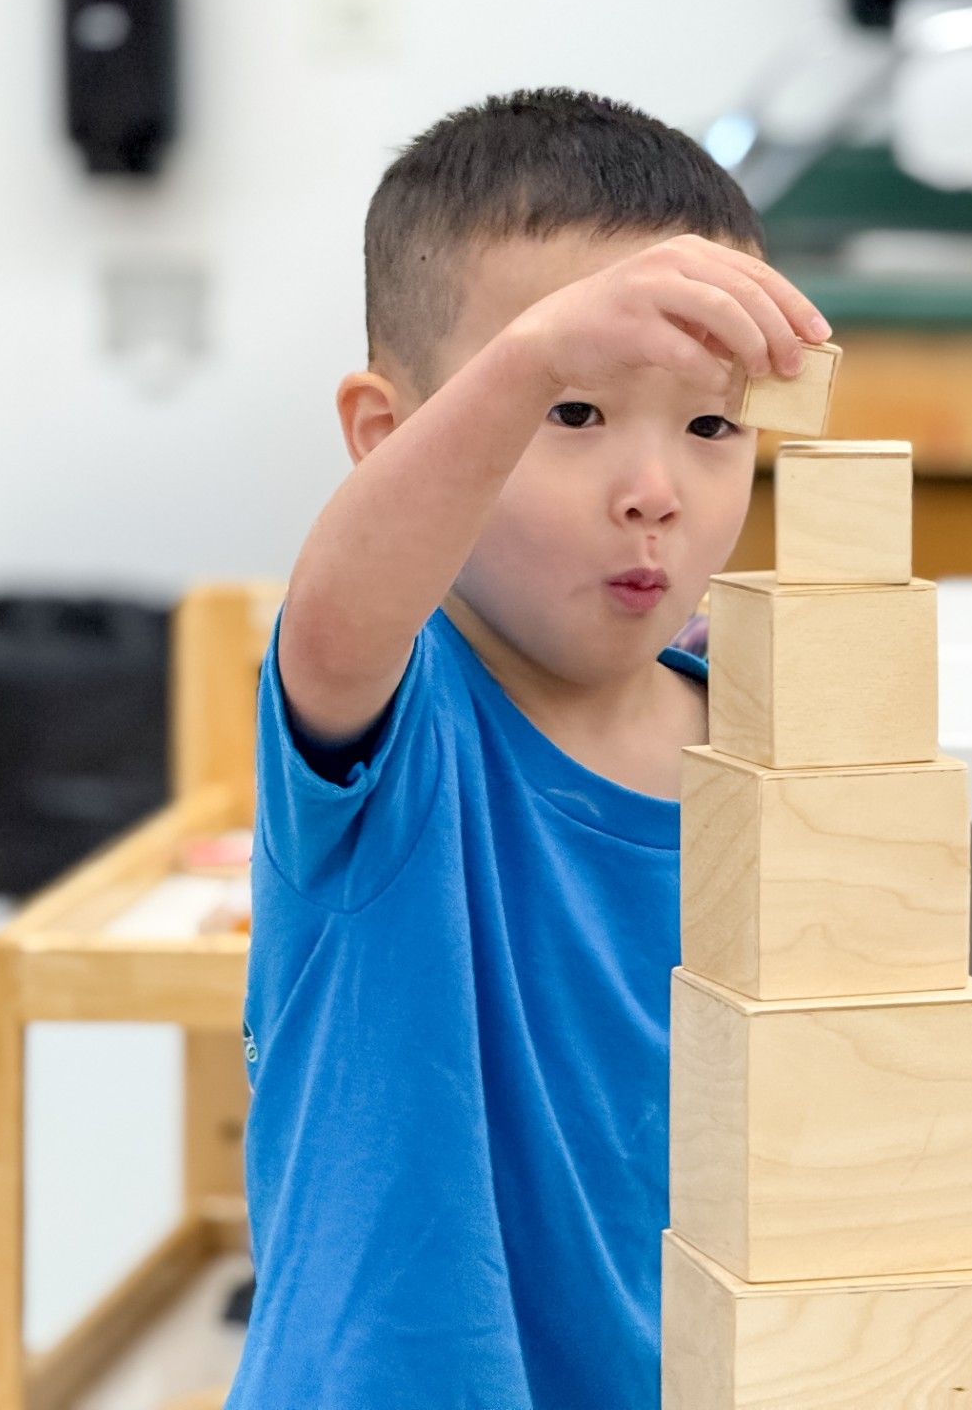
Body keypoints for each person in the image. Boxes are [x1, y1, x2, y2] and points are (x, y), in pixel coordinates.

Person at [231, 86, 830, 1407]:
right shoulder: (398, 712)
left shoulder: (749, 729)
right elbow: (336, 612)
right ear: (392, 442)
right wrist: (531, 355)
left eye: (712, 426)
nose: (655, 489)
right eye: (572, 414)